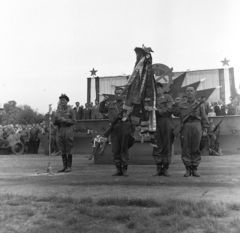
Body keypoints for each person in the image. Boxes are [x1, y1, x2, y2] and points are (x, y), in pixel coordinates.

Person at [172, 86, 209, 177]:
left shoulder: (200, 104)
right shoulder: (181, 104)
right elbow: (175, 113)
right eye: (187, 91)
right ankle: (188, 168)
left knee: (196, 147)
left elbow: (204, 117)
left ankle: (195, 168)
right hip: (185, 127)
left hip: (197, 126)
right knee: (186, 147)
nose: (189, 92)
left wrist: (205, 129)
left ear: (195, 93)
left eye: (191, 91)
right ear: (186, 93)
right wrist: (175, 104)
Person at [99, 87, 131, 176]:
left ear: (123, 94)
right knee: (115, 148)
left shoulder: (127, 104)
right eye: (116, 93)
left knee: (124, 148)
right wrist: (103, 101)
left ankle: (125, 169)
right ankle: (118, 169)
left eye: (120, 93)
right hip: (114, 127)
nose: (118, 95)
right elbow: (101, 110)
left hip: (124, 126)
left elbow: (132, 117)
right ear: (114, 94)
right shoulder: (110, 104)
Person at [152, 82, 174, 176]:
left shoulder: (168, 97)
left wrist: (158, 111)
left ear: (162, 89)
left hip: (166, 122)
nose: (157, 90)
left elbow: (169, 110)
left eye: (159, 88)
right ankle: (158, 167)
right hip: (155, 123)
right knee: (156, 144)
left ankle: (165, 167)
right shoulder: (151, 100)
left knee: (166, 144)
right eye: (155, 88)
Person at [54, 94, 76, 172]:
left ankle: (69, 166)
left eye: (64, 100)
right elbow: (55, 122)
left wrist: (65, 120)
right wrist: (56, 120)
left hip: (68, 129)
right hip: (60, 130)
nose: (62, 101)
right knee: (62, 148)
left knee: (69, 147)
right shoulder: (58, 111)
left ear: (67, 101)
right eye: (61, 100)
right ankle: (64, 166)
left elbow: (74, 121)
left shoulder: (71, 110)